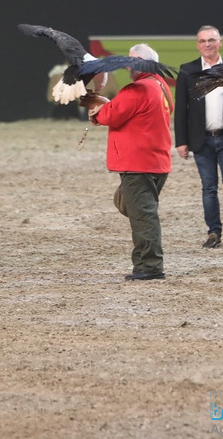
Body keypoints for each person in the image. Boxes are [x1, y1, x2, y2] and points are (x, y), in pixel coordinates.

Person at [81, 43, 173, 281]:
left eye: (134, 60)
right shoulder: (161, 86)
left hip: (138, 163)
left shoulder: (138, 89)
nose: (129, 65)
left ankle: (149, 267)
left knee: (143, 216)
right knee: (135, 209)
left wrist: (96, 108)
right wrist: (105, 104)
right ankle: (148, 263)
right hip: (155, 161)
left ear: (146, 63)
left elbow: (111, 115)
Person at [173, 26, 223, 249]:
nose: (207, 44)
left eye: (211, 40)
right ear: (198, 44)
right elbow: (181, 111)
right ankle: (214, 232)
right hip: (201, 140)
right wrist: (181, 141)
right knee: (209, 188)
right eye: (203, 41)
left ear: (220, 43)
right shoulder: (187, 71)